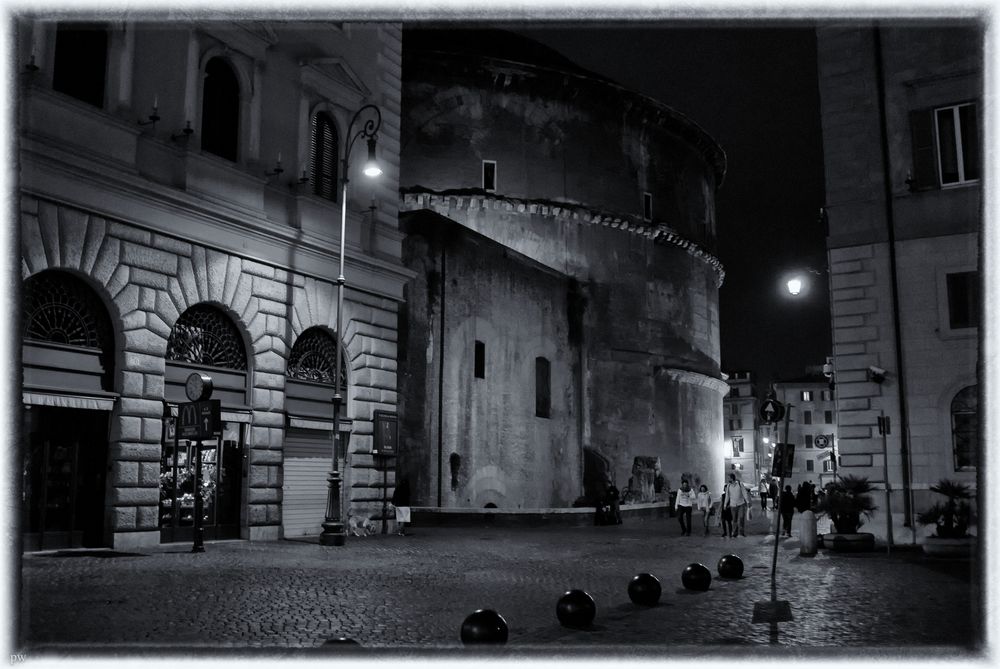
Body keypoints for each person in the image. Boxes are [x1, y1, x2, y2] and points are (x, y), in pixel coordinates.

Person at [724, 473, 751, 537]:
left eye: (728, 478)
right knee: (734, 519)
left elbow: (744, 493)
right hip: (733, 505)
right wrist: (725, 505)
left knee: (741, 518)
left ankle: (741, 532)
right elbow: (727, 496)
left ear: (732, 478)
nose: (727, 479)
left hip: (741, 503)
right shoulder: (728, 486)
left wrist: (747, 501)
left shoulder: (740, 484)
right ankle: (735, 533)